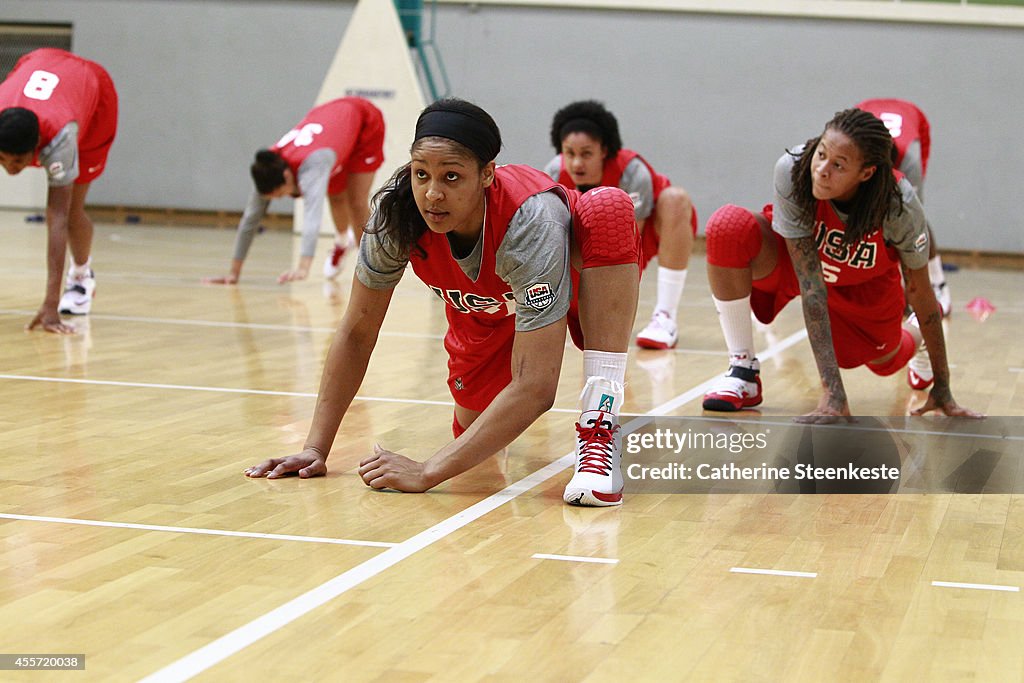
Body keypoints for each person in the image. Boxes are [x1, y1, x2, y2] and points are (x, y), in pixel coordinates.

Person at [244, 98, 643, 507]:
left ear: (487, 174)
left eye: (451, 177)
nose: (432, 194)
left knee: (607, 208)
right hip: (481, 309)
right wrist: (315, 448)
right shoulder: (395, 216)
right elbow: (357, 330)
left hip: (572, 278)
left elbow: (537, 386)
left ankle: (599, 433)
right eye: (422, 174)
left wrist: (428, 470)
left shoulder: (529, 219)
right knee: (477, 445)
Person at [700, 107, 981, 421]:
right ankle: (743, 370)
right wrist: (833, 393)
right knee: (728, 227)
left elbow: (919, 289)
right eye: (821, 154)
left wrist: (943, 385)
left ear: (866, 173)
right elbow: (812, 286)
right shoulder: (793, 168)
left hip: (861, 281)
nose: (821, 169)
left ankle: (914, 337)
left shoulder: (898, 203)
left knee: (883, 361)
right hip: (799, 261)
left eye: (838, 165)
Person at [544, 100, 697, 350]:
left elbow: (631, 248)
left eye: (586, 153)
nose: (576, 164)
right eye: (569, 153)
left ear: (604, 150)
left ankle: (665, 317)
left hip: (638, 235)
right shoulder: (552, 173)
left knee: (675, 199)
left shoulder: (632, 172)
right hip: (580, 245)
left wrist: (613, 306)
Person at [204, 97, 384, 285]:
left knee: (356, 202)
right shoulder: (268, 166)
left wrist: (303, 267)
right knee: (336, 196)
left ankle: (371, 266)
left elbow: (312, 217)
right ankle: (341, 243)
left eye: (282, 194)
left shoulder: (313, 166)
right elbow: (250, 219)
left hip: (364, 121)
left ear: (287, 176)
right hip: (333, 129)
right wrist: (233, 273)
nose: (285, 198)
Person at [0, 48, 118, 332]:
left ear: (38, 148)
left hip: (93, 89)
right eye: (2, 159)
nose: (10, 168)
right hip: (39, 58)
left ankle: (81, 277)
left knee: (73, 211)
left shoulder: (59, 139)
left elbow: (57, 218)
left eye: (18, 160)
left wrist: (50, 305)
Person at [855, 98, 952, 319]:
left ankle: (938, 283)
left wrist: (915, 288)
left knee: (916, 220)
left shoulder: (906, 156)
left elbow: (925, 145)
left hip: (902, 153)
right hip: (864, 151)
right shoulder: (855, 141)